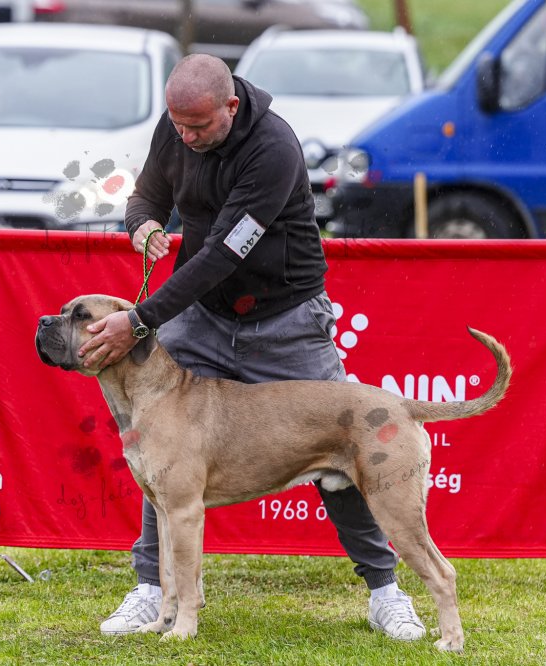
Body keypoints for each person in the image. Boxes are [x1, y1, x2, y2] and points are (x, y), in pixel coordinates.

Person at [77, 54, 426, 642]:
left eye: (198, 127)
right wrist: (142, 223)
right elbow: (147, 195)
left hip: (286, 316)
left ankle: (385, 592)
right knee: (160, 445)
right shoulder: (177, 125)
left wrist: (140, 321)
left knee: (346, 442)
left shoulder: (274, 149)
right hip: (205, 313)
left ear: (231, 107)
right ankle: (152, 590)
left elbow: (221, 254)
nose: (186, 138)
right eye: (178, 126)